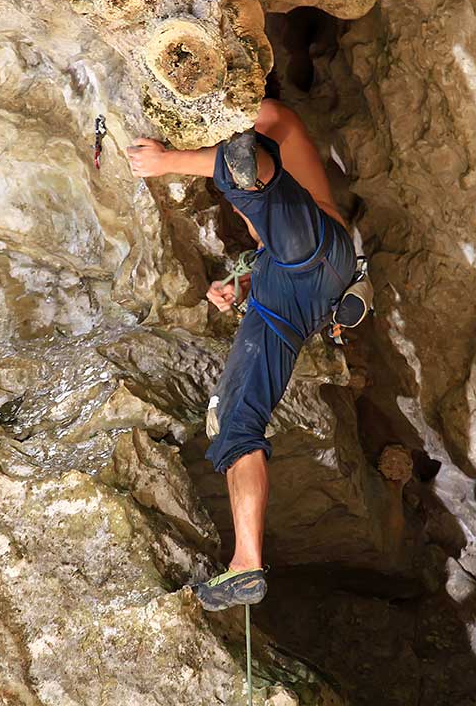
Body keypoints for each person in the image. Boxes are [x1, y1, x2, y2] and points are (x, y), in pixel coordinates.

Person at [126, 98, 355, 610]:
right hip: (296, 294)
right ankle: (244, 565)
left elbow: (239, 152)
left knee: (243, 165)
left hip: (311, 252)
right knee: (234, 421)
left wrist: (165, 162)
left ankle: (246, 562)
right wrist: (245, 287)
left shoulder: (272, 115)